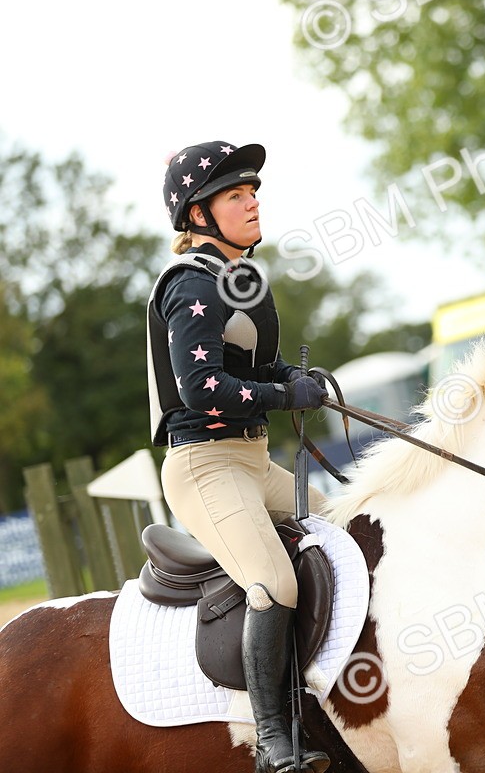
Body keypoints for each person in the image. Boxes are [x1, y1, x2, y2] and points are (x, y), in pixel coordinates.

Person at [147, 141, 330, 773]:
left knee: (348, 532)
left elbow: (254, 366)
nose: (252, 202)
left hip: (252, 462)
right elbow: (201, 387)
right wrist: (284, 394)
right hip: (204, 466)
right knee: (273, 581)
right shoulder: (188, 285)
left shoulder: (239, 280)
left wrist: (300, 380)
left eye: (253, 192)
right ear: (199, 213)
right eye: (235, 195)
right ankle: (272, 742)